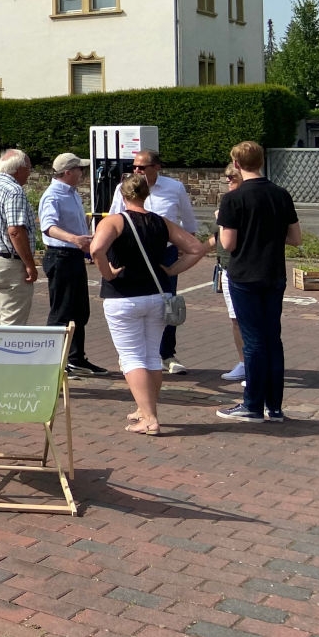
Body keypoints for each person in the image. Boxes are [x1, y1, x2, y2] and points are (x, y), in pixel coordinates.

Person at [91, 172, 208, 435]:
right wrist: (172, 269)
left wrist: (108, 273)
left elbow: (96, 249)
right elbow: (197, 248)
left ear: (122, 195)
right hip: (156, 295)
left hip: (122, 297)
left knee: (131, 357)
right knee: (152, 356)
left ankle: (150, 418)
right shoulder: (162, 222)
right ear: (147, 193)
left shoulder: (114, 222)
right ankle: (145, 409)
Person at [215, 141, 300, 423]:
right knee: (273, 339)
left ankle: (252, 404)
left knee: (253, 342)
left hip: (245, 275)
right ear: (261, 161)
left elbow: (228, 243)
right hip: (274, 273)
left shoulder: (233, 199)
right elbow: (296, 238)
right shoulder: (280, 194)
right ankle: (274, 407)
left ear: (237, 165)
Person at [109, 150, 198, 374]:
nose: (136, 171)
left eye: (142, 167)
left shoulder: (174, 188)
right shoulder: (124, 189)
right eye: (134, 167)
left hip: (163, 254)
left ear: (157, 167)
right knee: (132, 302)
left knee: (166, 302)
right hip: (131, 253)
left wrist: (182, 248)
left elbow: (188, 223)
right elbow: (113, 219)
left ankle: (166, 354)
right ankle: (130, 354)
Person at [38, 152, 106, 376]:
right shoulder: (53, 196)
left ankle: (76, 358)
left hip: (73, 256)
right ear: (67, 172)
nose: (82, 173)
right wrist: (74, 239)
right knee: (61, 311)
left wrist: (84, 236)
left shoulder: (72, 193)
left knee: (79, 310)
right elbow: (48, 226)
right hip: (60, 256)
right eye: (79, 169)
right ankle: (51, 364)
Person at [0, 149, 39, 325]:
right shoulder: (14, 191)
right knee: (12, 322)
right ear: (18, 169)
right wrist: (29, 264)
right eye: (29, 168)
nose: (29, 173)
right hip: (8, 262)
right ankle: (7, 353)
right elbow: (15, 231)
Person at [210, 166, 248, 382]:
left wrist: (224, 220)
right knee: (235, 319)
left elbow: (230, 240)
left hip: (242, 269)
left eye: (232, 177)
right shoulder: (228, 200)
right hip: (227, 268)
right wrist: (193, 250)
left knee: (249, 320)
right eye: (226, 177)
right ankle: (244, 362)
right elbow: (218, 238)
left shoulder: (243, 202)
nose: (228, 180)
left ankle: (254, 367)